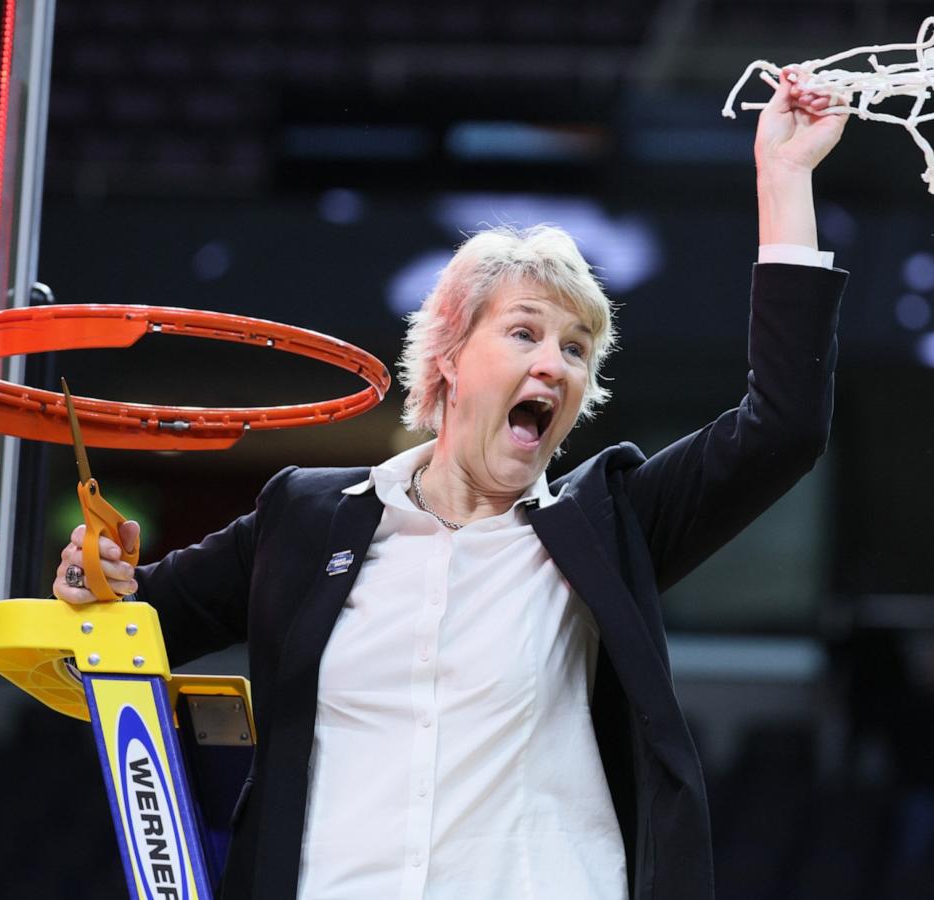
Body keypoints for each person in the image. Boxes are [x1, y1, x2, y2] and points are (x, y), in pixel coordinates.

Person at [54, 70, 851, 900]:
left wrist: (783, 177)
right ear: (448, 358)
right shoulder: (303, 516)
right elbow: (127, 627)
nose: (555, 362)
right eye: (523, 332)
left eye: (576, 349)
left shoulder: (609, 528)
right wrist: (91, 577)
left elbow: (784, 427)